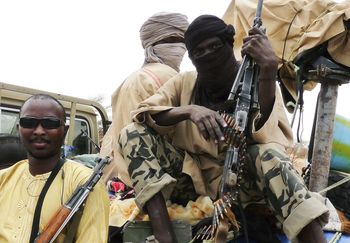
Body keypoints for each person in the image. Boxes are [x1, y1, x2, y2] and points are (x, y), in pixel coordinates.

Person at [117, 15, 328, 243]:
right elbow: (145, 113)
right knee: (131, 133)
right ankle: (164, 237)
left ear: (230, 45)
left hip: (243, 187)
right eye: (199, 51)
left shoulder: (254, 78)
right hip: (194, 185)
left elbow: (267, 131)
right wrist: (191, 111)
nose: (208, 54)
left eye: (215, 46)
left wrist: (268, 70)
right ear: (192, 57)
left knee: (267, 155)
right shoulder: (185, 83)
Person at [0, 94, 109, 242]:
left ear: (64, 130)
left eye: (50, 123)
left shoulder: (84, 181)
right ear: (19, 128)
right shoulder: (3, 178)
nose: (39, 131)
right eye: (29, 122)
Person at [100, 12, 189, 186]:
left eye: (183, 42)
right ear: (153, 44)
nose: (180, 48)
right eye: (173, 41)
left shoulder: (128, 81)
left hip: (125, 178)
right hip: (159, 179)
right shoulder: (171, 78)